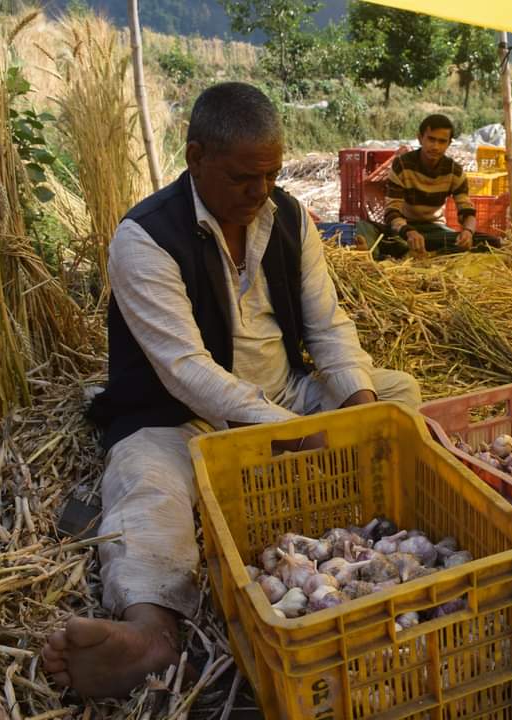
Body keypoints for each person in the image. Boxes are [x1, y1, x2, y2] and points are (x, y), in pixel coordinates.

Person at [40, 82, 421, 699]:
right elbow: (186, 370)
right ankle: (151, 632)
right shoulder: (144, 239)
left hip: (285, 394)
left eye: (271, 175)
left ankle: (368, 518)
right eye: (245, 178)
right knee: (145, 482)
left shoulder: (289, 217)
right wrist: (284, 434)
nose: (260, 191)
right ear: (195, 158)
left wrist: (359, 410)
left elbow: (328, 327)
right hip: (184, 417)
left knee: (396, 393)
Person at [355, 114, 501, 259]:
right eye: (431, 139)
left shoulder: (454, 171)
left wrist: (468, 232)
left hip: (435, 231)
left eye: (442, 141)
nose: (435, 146)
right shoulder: (402, 165)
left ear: (449, 144)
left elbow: (467, 211)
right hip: (404, 230)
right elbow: (392, 211)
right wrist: (408, 232)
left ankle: (416, 255)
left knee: (491, 242)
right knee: (364, 226)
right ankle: (377, 253)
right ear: (420, 138)